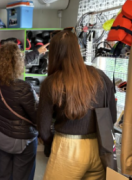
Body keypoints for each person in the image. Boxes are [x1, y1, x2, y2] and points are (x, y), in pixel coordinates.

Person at [38, 30, 117, 180]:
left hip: (67, 147)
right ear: (78, 49)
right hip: (99, 147)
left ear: (53, 53)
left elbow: (43, 129)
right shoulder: (101, 77)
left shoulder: (52, 82)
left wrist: (52, 143)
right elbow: (111, 117)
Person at [0, 42, 39, 180]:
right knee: (22, 175)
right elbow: (36, 117)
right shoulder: (23, 87)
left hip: (1, 134)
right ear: (17, 62)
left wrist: (37, 52)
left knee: (3, 173)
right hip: (21, 140)